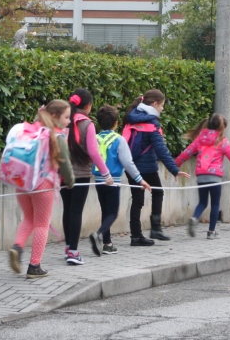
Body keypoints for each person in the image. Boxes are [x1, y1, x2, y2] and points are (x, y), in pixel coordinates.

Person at [8, 100, 75, 278]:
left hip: (21, 181)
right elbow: (65, 165)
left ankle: (17, 247)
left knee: (28, 218)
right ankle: (34, 266)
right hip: (43, 184)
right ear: (54, 116)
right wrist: (70, 182)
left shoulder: (31, 130)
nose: (69, 121)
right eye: (66, 117)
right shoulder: (56, 135)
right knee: (42, 224)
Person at [123, 89, 190, 245]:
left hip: (131, 166)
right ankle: (155, 228)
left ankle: (135, 235)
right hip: (147, 166)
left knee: (137, 200)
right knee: (158, 192)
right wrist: (174, 169)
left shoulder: (131, 117)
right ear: (154, 104)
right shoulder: (152, 122)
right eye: (162, 105)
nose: (162, 109)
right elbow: (161, 150)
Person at [60, 88, 113, 266]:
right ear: (88, 105)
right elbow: (94, 152)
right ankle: (74, 253)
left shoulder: (63, 120)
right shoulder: (88, 124)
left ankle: (68, 247)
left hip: (62, 174)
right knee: (76, 211)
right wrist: (106, 174)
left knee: (67, 210)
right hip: (81, 175)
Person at [175, 114, 230, 239]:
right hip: (215, 178)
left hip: (201, 177)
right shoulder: (222, 142)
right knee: (215, 204)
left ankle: (195, 217)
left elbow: (186, 153)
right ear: (221, 128)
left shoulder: (200, 139)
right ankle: (211, 232)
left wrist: (175, 166)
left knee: (202, 202)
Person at [89, 105, 150, 256]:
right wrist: (140, 180)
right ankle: (99, 234)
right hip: (113, 180)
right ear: (116, 123)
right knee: (113, 212)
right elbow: (128, 163)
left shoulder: (95, 138)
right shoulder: (119, 140)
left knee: (105, 210)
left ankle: (107, 244)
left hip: (98, 179)